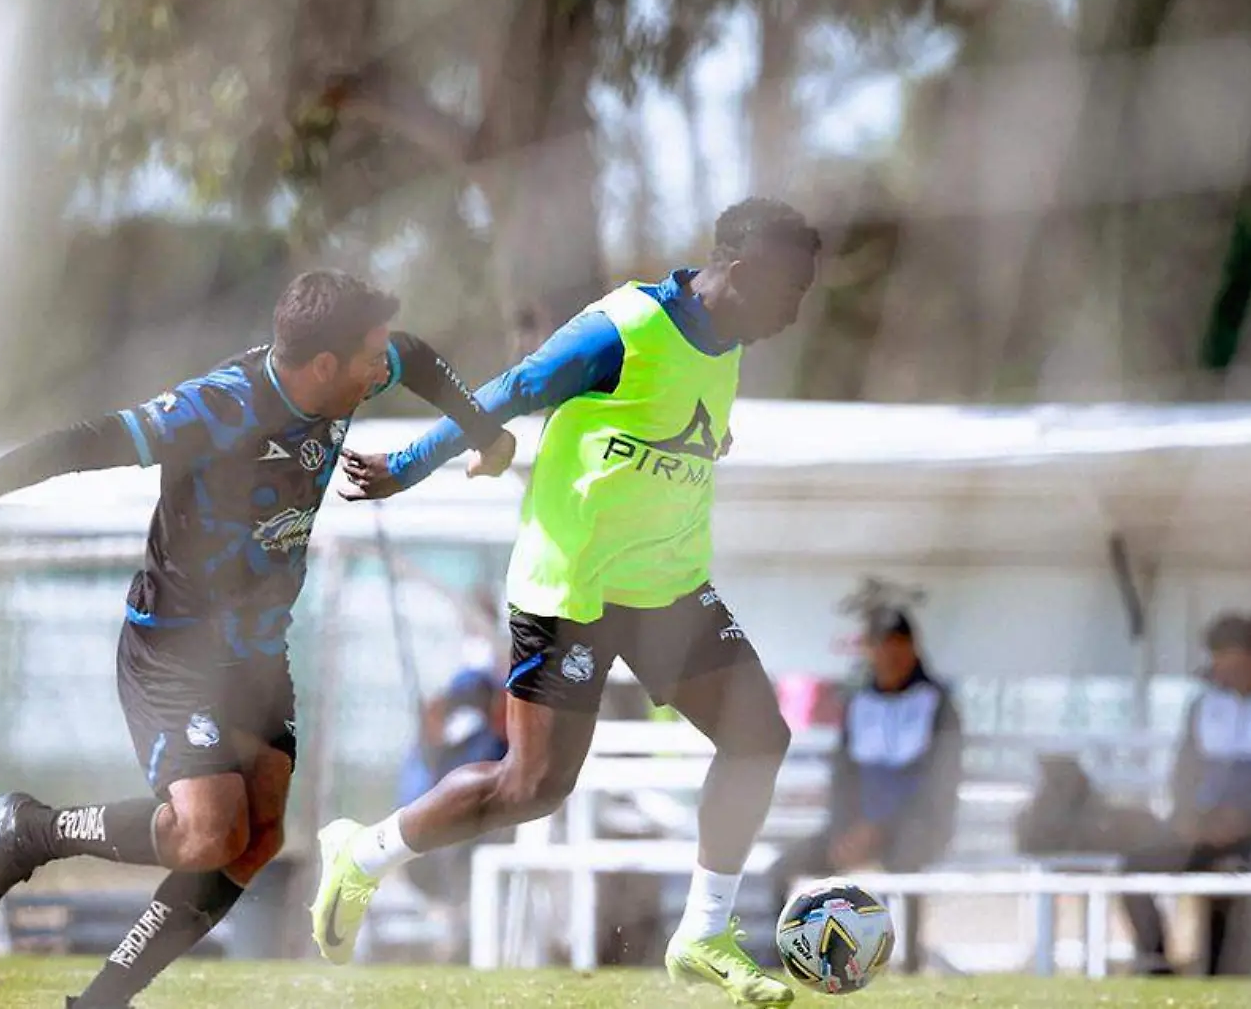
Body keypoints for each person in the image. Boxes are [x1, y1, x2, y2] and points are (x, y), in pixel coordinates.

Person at [0, 270, 516, 1009]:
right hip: (175, 653)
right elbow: (82, 444)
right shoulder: (220, 406)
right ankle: (33, 830)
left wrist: (486, 434)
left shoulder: (350, 368)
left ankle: (100, 1001)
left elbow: (416, 355)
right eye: (370, 360)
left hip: (257, 653)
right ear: (321, 367)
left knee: (257, 838)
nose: (385, 370)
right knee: (206, 835)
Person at [315, 197, 822, 1006]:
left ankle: (702, 934)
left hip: (668, 587)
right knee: (533, 788)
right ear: (748, 271)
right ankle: (365, 853)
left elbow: (669, 430)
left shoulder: (725, 344)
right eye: (792, 292)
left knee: (758, 736)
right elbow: (516, 387)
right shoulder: (623, 328)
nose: (796, 315)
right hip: (573, 592)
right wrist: (413, 461)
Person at [1121, 612, 1251, 978]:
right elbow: (1184, 773)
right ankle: (1156, 968)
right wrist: (1189, 818)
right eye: (1221, 666)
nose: (1228, 676)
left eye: (1236, 666)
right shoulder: (1204, 706)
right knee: (1136, 868)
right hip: (1206, 829)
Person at [765, 605, 963, 971]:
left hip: (917, 828)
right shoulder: (859, 703)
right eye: (880, 645)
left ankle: (911, 964)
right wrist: (846, 831)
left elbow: (938, 785)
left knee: (907, 860)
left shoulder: (938, 706)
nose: (889, 654)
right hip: (855, 827)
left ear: (912, 648)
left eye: (897, 644)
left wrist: (881, 827)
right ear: (869, 651)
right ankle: (793, 962)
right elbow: (843, 778)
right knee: (782, 868)